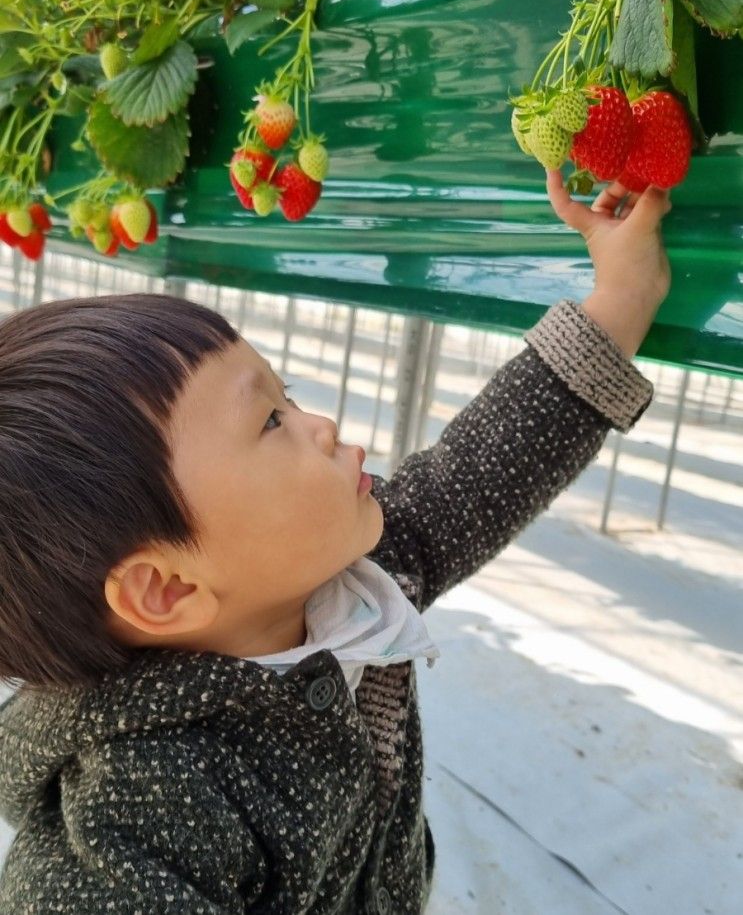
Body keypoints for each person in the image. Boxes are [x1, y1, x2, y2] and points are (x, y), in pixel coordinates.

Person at [0, 173, 672, 913]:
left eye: (285, 395)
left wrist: (622, 296)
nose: (317, 424)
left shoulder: (342, 579)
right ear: (167, 590)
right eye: (269, 423)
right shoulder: (130, 825)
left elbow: (484, 470)